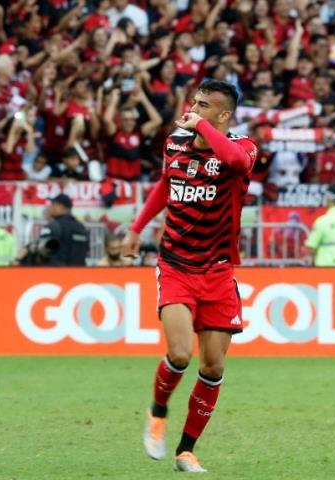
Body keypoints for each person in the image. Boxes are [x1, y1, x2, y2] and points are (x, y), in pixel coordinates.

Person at [122, 79, 258, 473]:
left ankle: (186, 450)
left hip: (217, 271)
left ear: (223, 115)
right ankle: (158, 413)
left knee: (213, 367)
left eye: (204, 105)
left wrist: (199, 126)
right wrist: (136, 228)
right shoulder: (174, 145)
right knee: (180, 353)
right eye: (194, 103)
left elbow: (232, 160)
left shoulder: (244, 148)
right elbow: (166, 185)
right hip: (176, 265)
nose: (194, 109)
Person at [37, 194, 88, 266]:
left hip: (56, 274)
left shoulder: (52, 226)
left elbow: (41, 251)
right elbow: (86, 251)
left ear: (60, 207)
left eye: (52, 205)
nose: (49, 207)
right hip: (79, 274)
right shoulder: (82, 228)